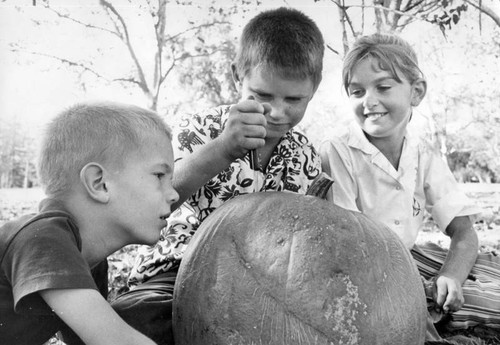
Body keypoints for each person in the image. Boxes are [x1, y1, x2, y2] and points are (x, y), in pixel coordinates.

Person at [111, 6, 325, 344]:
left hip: (264, 285)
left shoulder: (305, 156)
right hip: (177, 270)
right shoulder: (201, 129)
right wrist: (223, 149)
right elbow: (159, 198)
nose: (279, 112)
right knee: (133, 319)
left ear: (314, 88)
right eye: (263, 95)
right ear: (237, 75)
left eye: (295, 99)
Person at [320, 33, 500, 336]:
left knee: (487, 269)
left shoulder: (422, 154)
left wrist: (451, 276)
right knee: (490, 301)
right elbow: (347, 248)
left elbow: (465, 232)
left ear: (416, 92)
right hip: (366, 272)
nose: (369, 101)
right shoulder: (338, 152)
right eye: (357, 91)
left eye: (383, 87)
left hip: (410, 253)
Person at [0, 101, 179, 345]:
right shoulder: (42, 239)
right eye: (159, 175)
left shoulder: (88, 258)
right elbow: (118, 341)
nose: (174, 194)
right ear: (99, 183)